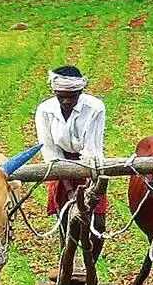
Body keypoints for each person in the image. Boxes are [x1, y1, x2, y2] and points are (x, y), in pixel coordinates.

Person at [35, 65, 108, 262]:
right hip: (60, 166)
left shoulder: (95, 107)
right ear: (54, 92)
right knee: (66, 219)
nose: (67, 101)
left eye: (72, 96)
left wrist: (88, 190)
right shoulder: (45, 111)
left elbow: (92, 149)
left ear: (80, 92)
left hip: (89, 165)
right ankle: (65, 262)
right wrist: (68, 189)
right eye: (61, 96)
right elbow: (50, 151)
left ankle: (89, 264)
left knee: (98, 222)